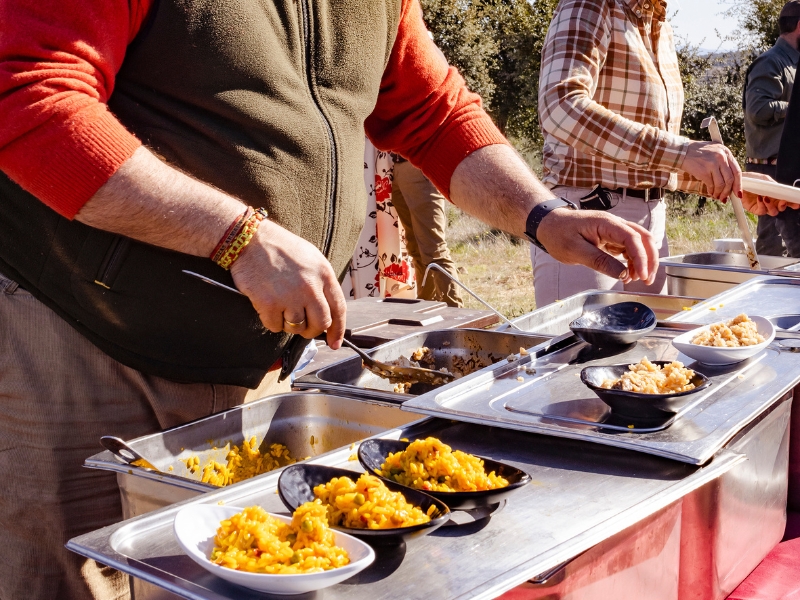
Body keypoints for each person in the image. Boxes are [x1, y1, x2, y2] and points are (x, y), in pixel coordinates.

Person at [0, 0, 660, 597]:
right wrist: (239, 238)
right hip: (81, 338)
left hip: (252, 367)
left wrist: (543, 216)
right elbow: (28, 94)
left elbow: (433, 113)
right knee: (62, 581)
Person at [535, 0, 742, 306]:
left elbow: (652, 161)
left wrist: (731, 182)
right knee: (581, 352)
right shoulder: (593, 4)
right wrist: (684, 151)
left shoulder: (660, 26)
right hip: (585, 216)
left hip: (652, 226)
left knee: (650, 352)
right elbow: (560, 107)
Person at [742, 0, 800, 256]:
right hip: (768, 169)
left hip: (786, 168)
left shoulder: (793, 62)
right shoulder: (772, 62)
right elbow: (758, 108)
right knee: (773, 247)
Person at [390, 154, 464, 306]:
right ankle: (427, 304)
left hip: (418, 166)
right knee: (415, 247)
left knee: (434, 249)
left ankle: (456, 313)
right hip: (398, 167)